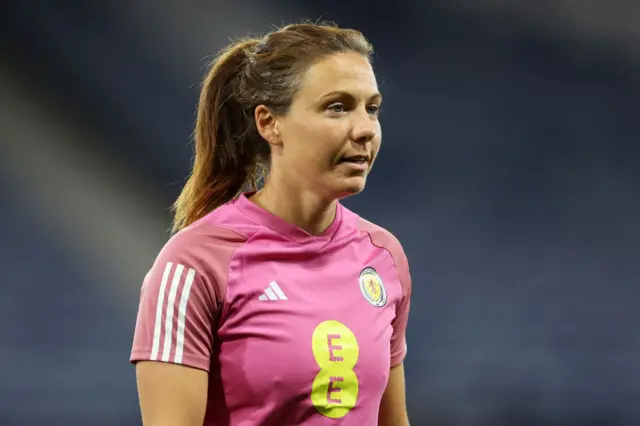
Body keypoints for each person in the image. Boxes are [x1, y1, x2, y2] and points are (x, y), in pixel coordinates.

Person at [130, 21, 412, 426]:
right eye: (337, 107)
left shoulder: (383, 256)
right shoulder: (194, 264)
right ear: (269, 123)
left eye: (372, 108)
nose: (365, 129)